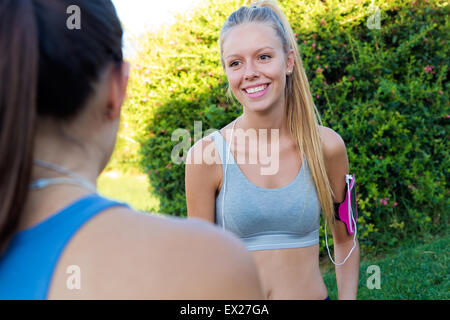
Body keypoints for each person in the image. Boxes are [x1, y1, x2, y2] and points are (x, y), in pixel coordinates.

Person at [0, 0, 263, 300]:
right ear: (117, 87)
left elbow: (334, 212)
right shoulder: (207, 263)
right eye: (236, 63)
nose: (250, 72)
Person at [186, 0, 360, 300]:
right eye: (236, 63)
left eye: (263, 57)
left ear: (288, 62)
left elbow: (346, 240)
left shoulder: (328, 147)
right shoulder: (206, 156)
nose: (250, 73)